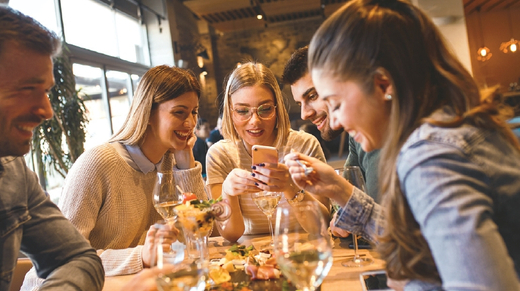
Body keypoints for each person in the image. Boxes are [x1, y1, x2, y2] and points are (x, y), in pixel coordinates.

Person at [286, 0, 520, 290]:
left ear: (384, 85)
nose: (336, 119)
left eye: (336, 103)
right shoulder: (450, 125)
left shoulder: (431, 155)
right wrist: (338, 189)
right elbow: (429, 243)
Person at [22, 65, 205, 289]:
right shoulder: (97, 164)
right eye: (180, 112)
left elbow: (202, 231)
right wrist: (141, 256)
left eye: (194, 112)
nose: (190, 123)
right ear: (147, 112)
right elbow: (64, 261)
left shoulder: (172, 160)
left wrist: (186, 163)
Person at [0, 4, 104, 290]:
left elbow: (78, 257)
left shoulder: (14, 173)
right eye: (27, 89)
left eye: (47, 91)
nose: (47, 111)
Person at [206, 62, 330, 243]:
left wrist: (290, 187)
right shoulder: (219, 155)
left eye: (265, 109)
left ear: (277, 108)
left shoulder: (304, 145)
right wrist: (227, 192)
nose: (255, 121)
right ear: (230, 112)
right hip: (251, 257)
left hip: (302, 250)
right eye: (242, 111)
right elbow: (231, 234)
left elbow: (321, 225)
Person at [283, 45, 381, 202]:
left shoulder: (410, 138)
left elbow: (391, 224)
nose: (304, 114)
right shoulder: (355, 136)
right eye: (300, 104)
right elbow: (350, 205)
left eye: (313, 96)